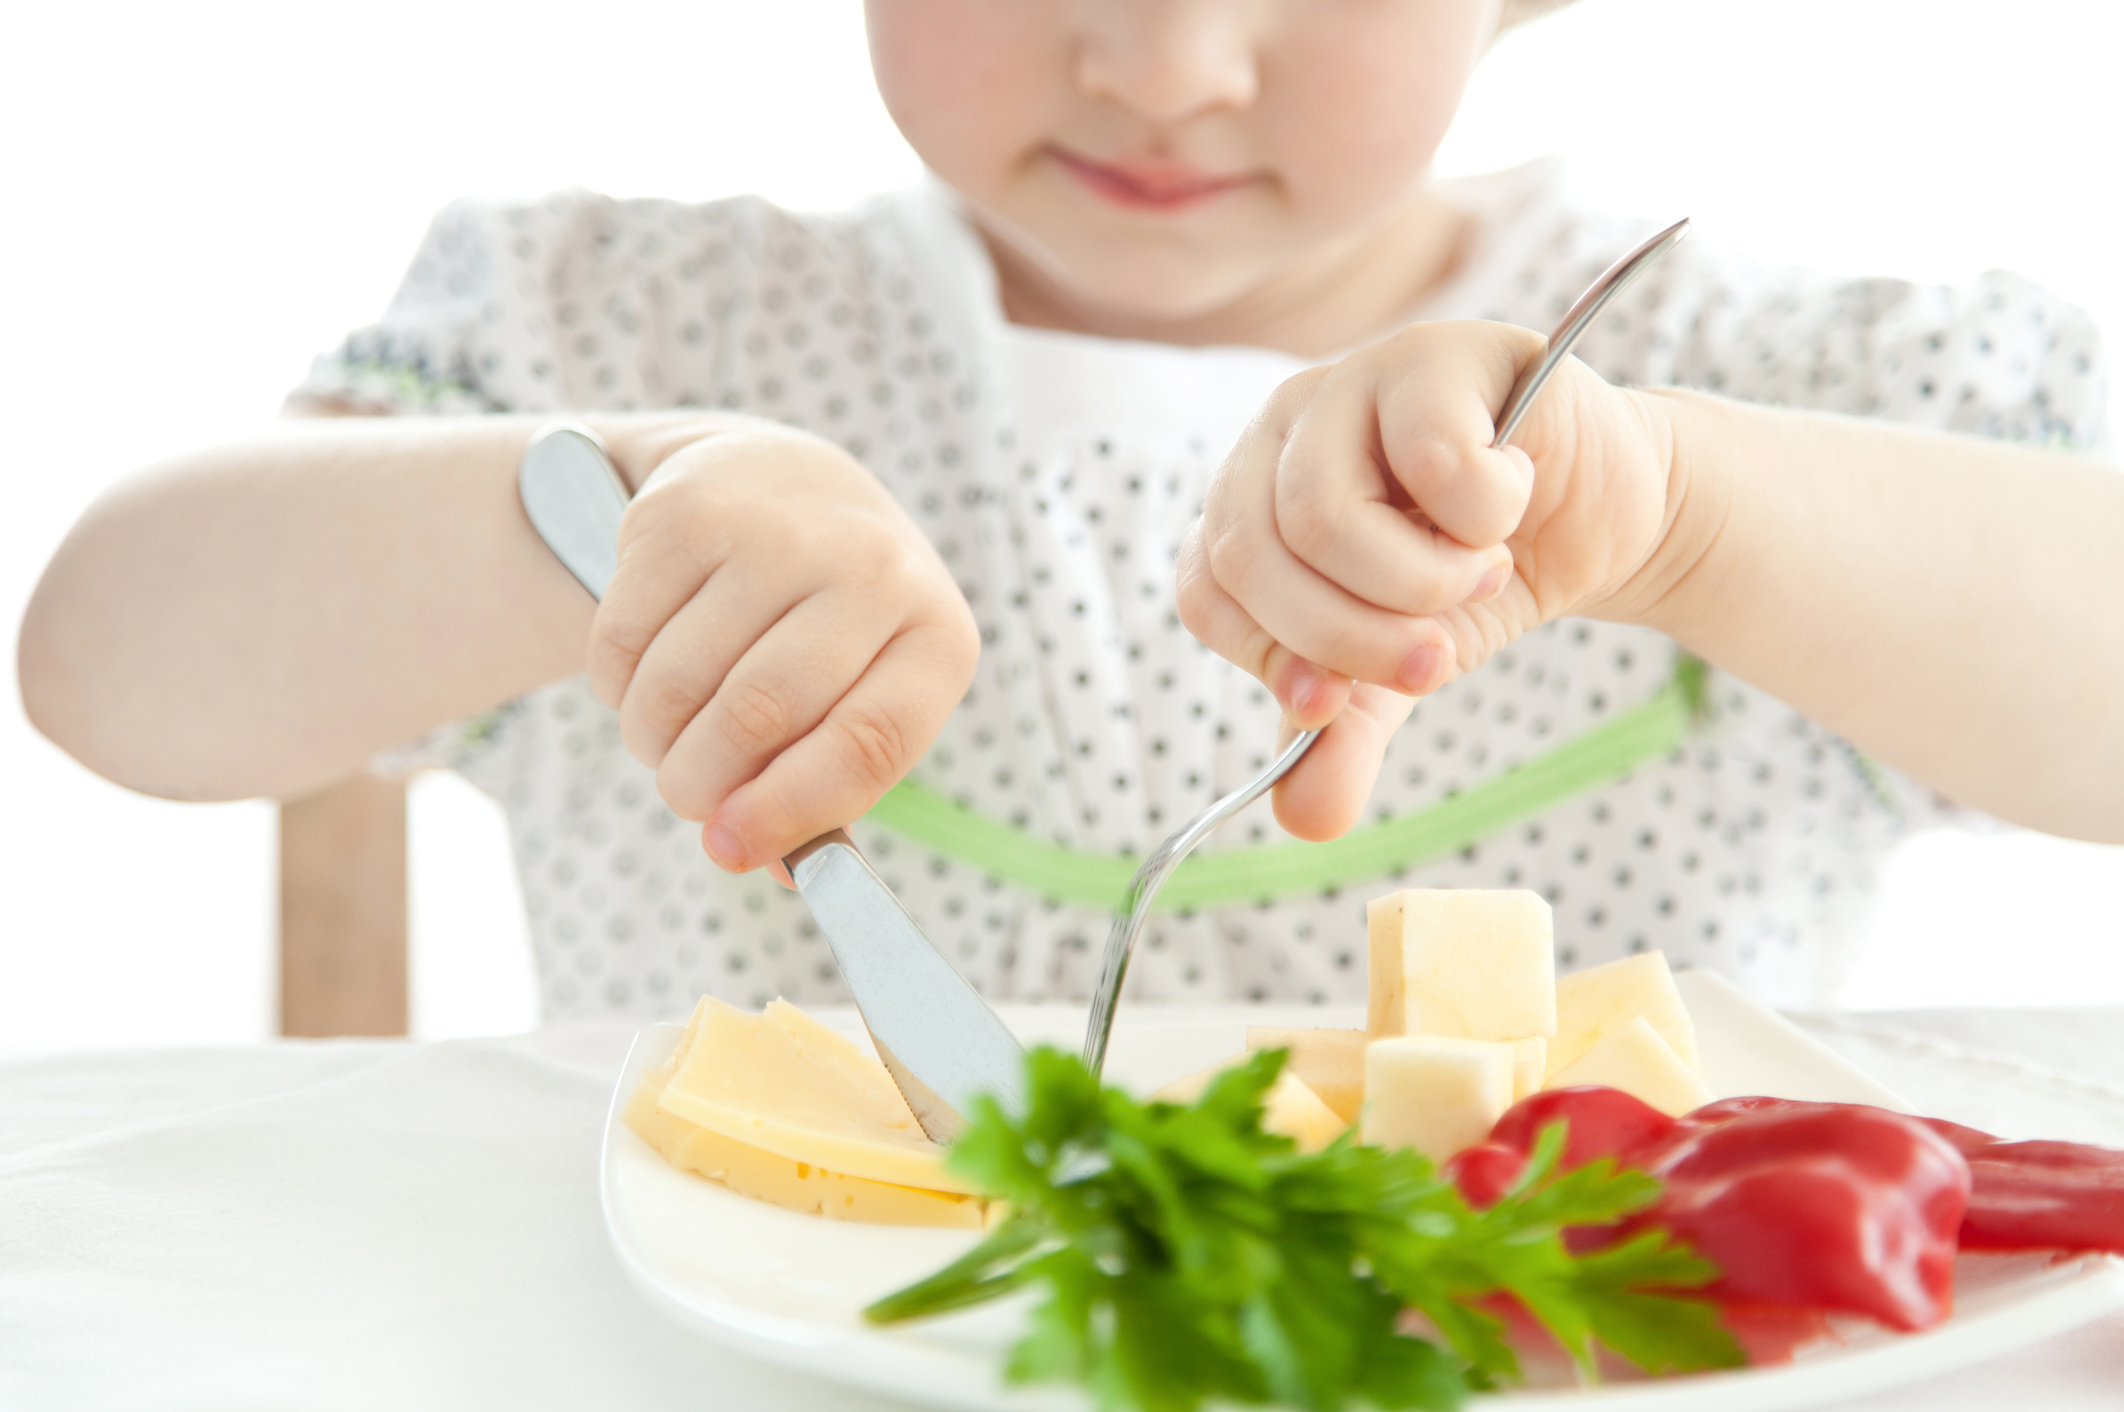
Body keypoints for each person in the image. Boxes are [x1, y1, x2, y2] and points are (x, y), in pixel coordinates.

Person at [18, 0, 2122, 1021]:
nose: (1171, 57)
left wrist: (1687, 516)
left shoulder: (1800, 384)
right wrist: (581, 514)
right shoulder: (602, 315)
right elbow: (105, 666)